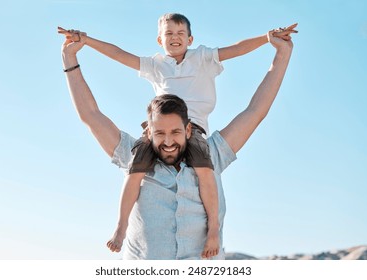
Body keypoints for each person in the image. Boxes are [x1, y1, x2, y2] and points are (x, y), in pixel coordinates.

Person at [58, 13, 297, 258]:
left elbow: (255, 110)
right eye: (160, 133)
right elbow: (91, 112)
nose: (169, 142)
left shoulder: (210, 149)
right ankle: (120, 226)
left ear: (188, 130)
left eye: (175, 133)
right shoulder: (137, 149)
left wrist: (279, 52)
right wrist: (72, 55)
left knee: (207, 173)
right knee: (134, 171)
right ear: (149, 131)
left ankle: (213, 228)